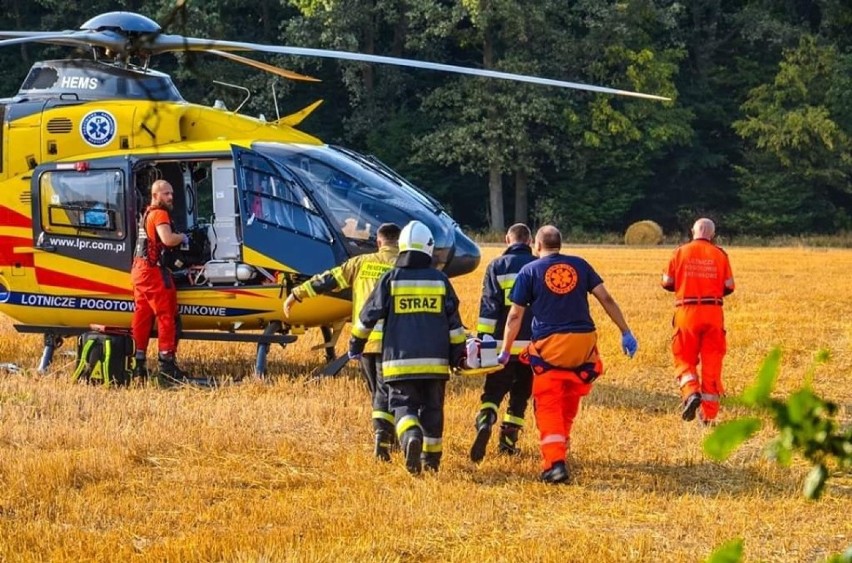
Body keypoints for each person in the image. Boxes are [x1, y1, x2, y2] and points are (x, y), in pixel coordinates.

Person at [499, 225, 638, 484]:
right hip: (584, 343)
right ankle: (563, 444)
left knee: (549, 402)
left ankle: (554, 464)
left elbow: (515, 315)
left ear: (537, 246)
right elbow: (606, 299)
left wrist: (506, 350)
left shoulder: (529, 270)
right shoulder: (580, 265)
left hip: (551, 346)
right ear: (559, 244)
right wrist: (625, 331)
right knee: (570, 394)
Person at [348, 220, 466, 475]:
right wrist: (459, 354)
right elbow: (454, 325)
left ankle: (411, 435)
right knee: (433, 411)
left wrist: (355, 343)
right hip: (435, 363)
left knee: (403, 406)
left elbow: (367, 315)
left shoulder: (391, 279)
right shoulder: (440, 280)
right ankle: (431, 462)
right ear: (428, 248)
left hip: (398, 363)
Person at [284, 223, 402, 460]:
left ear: (378, 242)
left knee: (377, 392)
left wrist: (297, 293)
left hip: (366, 341)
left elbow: (328, 280)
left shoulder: (361, 263)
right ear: (399, 243)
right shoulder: (405, 265)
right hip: (400, 343)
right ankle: (394, 438)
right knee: (398, 392)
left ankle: (382, 436)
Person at [469, 223, 536, 462]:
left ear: (508, 240)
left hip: (501, 345)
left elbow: (489, 308)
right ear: (529, 241)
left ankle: (486, 419)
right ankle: (508, 442)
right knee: (520, 394)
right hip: (531, 346)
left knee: (494, 391)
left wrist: (483, 342)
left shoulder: (496, 266)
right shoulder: (538, 266)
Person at [661, 218, 735, 424]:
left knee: (684, 357)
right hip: (713, 313)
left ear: (692, 231)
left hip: (687, 311)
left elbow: (666, 282)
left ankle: (691, 392)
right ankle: (708, 415)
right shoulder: (720, 254)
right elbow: (729, 285)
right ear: (712, 235)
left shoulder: (679, 252)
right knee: (712, 361)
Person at [131, 179, 192, 385]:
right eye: (166, 194)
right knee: (167, 316)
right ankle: (167, 366)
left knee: (142, 316)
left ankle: (138, 364)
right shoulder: (160, 213)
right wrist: (182, 237)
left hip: (139, 271)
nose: (170, 197)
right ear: (155, 195)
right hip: (152, 271)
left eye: (172, 193)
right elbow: (166, 239)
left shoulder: (146, 214)